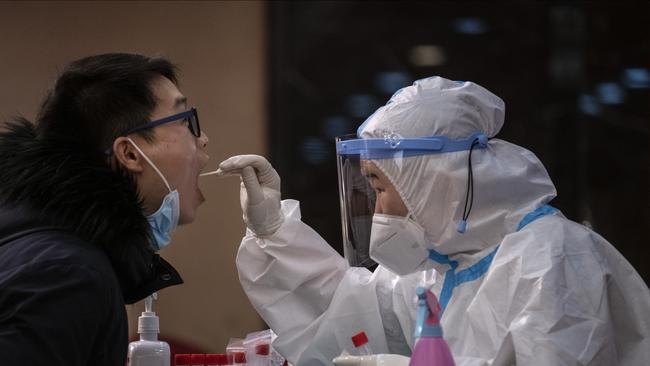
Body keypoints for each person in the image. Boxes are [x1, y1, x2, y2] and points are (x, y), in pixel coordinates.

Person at [219, 76, 650, 365]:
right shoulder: (437, 269)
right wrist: (272, 232)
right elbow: (344, 318)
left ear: (436, 181)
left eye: (381, 186)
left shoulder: (552, 260)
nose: (378, 208)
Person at [0, 53, 210, 365]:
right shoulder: (67, 275)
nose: (202, 140)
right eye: (184, 121)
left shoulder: (50, 241)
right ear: (129, 153)